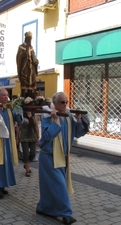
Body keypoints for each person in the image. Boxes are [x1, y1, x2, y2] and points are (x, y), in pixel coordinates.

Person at [36, 92, 89, 225]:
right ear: (55, 103)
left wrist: (78, 120)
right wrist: (56, 121)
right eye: (62, 102)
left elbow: (78, 133)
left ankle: (43, 208)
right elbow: (46, 137)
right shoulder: (48, 117)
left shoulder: (69, 116)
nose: (65, 104)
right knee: (59, 185)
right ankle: (66, 214)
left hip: (63, 157)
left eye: (66, 102)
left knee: (50, 186)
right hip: (49, 158)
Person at [0, 89, 24, 199]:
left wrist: (18, 110)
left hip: (8, 140)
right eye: (3, 95)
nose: (6, 97)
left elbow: (19, 121)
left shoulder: (9, 108)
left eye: (7, 95)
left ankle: (3, 185)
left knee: (7, 162)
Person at [16, 31, 39, 99]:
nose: (30, 40)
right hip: (24, 68)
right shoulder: (21, 47)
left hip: (31, 69)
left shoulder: (31, 48)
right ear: (26, 39)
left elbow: (34, 57)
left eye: (31, 39)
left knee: (32, 82)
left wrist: (36, 61)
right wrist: (23, 55)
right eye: (29, 39)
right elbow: (18, 57)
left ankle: (32, 97)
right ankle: (24, 97)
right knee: (25, 82)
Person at [18, 111, 39, 177]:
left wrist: (38, 137)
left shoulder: (34, 115)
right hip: (24, 136)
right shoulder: (21, 115)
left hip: (32, 137)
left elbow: (36, 127)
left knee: (33, 153)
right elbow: (18, 127)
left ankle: (26, 163)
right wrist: (17, 137)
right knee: (26, 153)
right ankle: (27, 170)